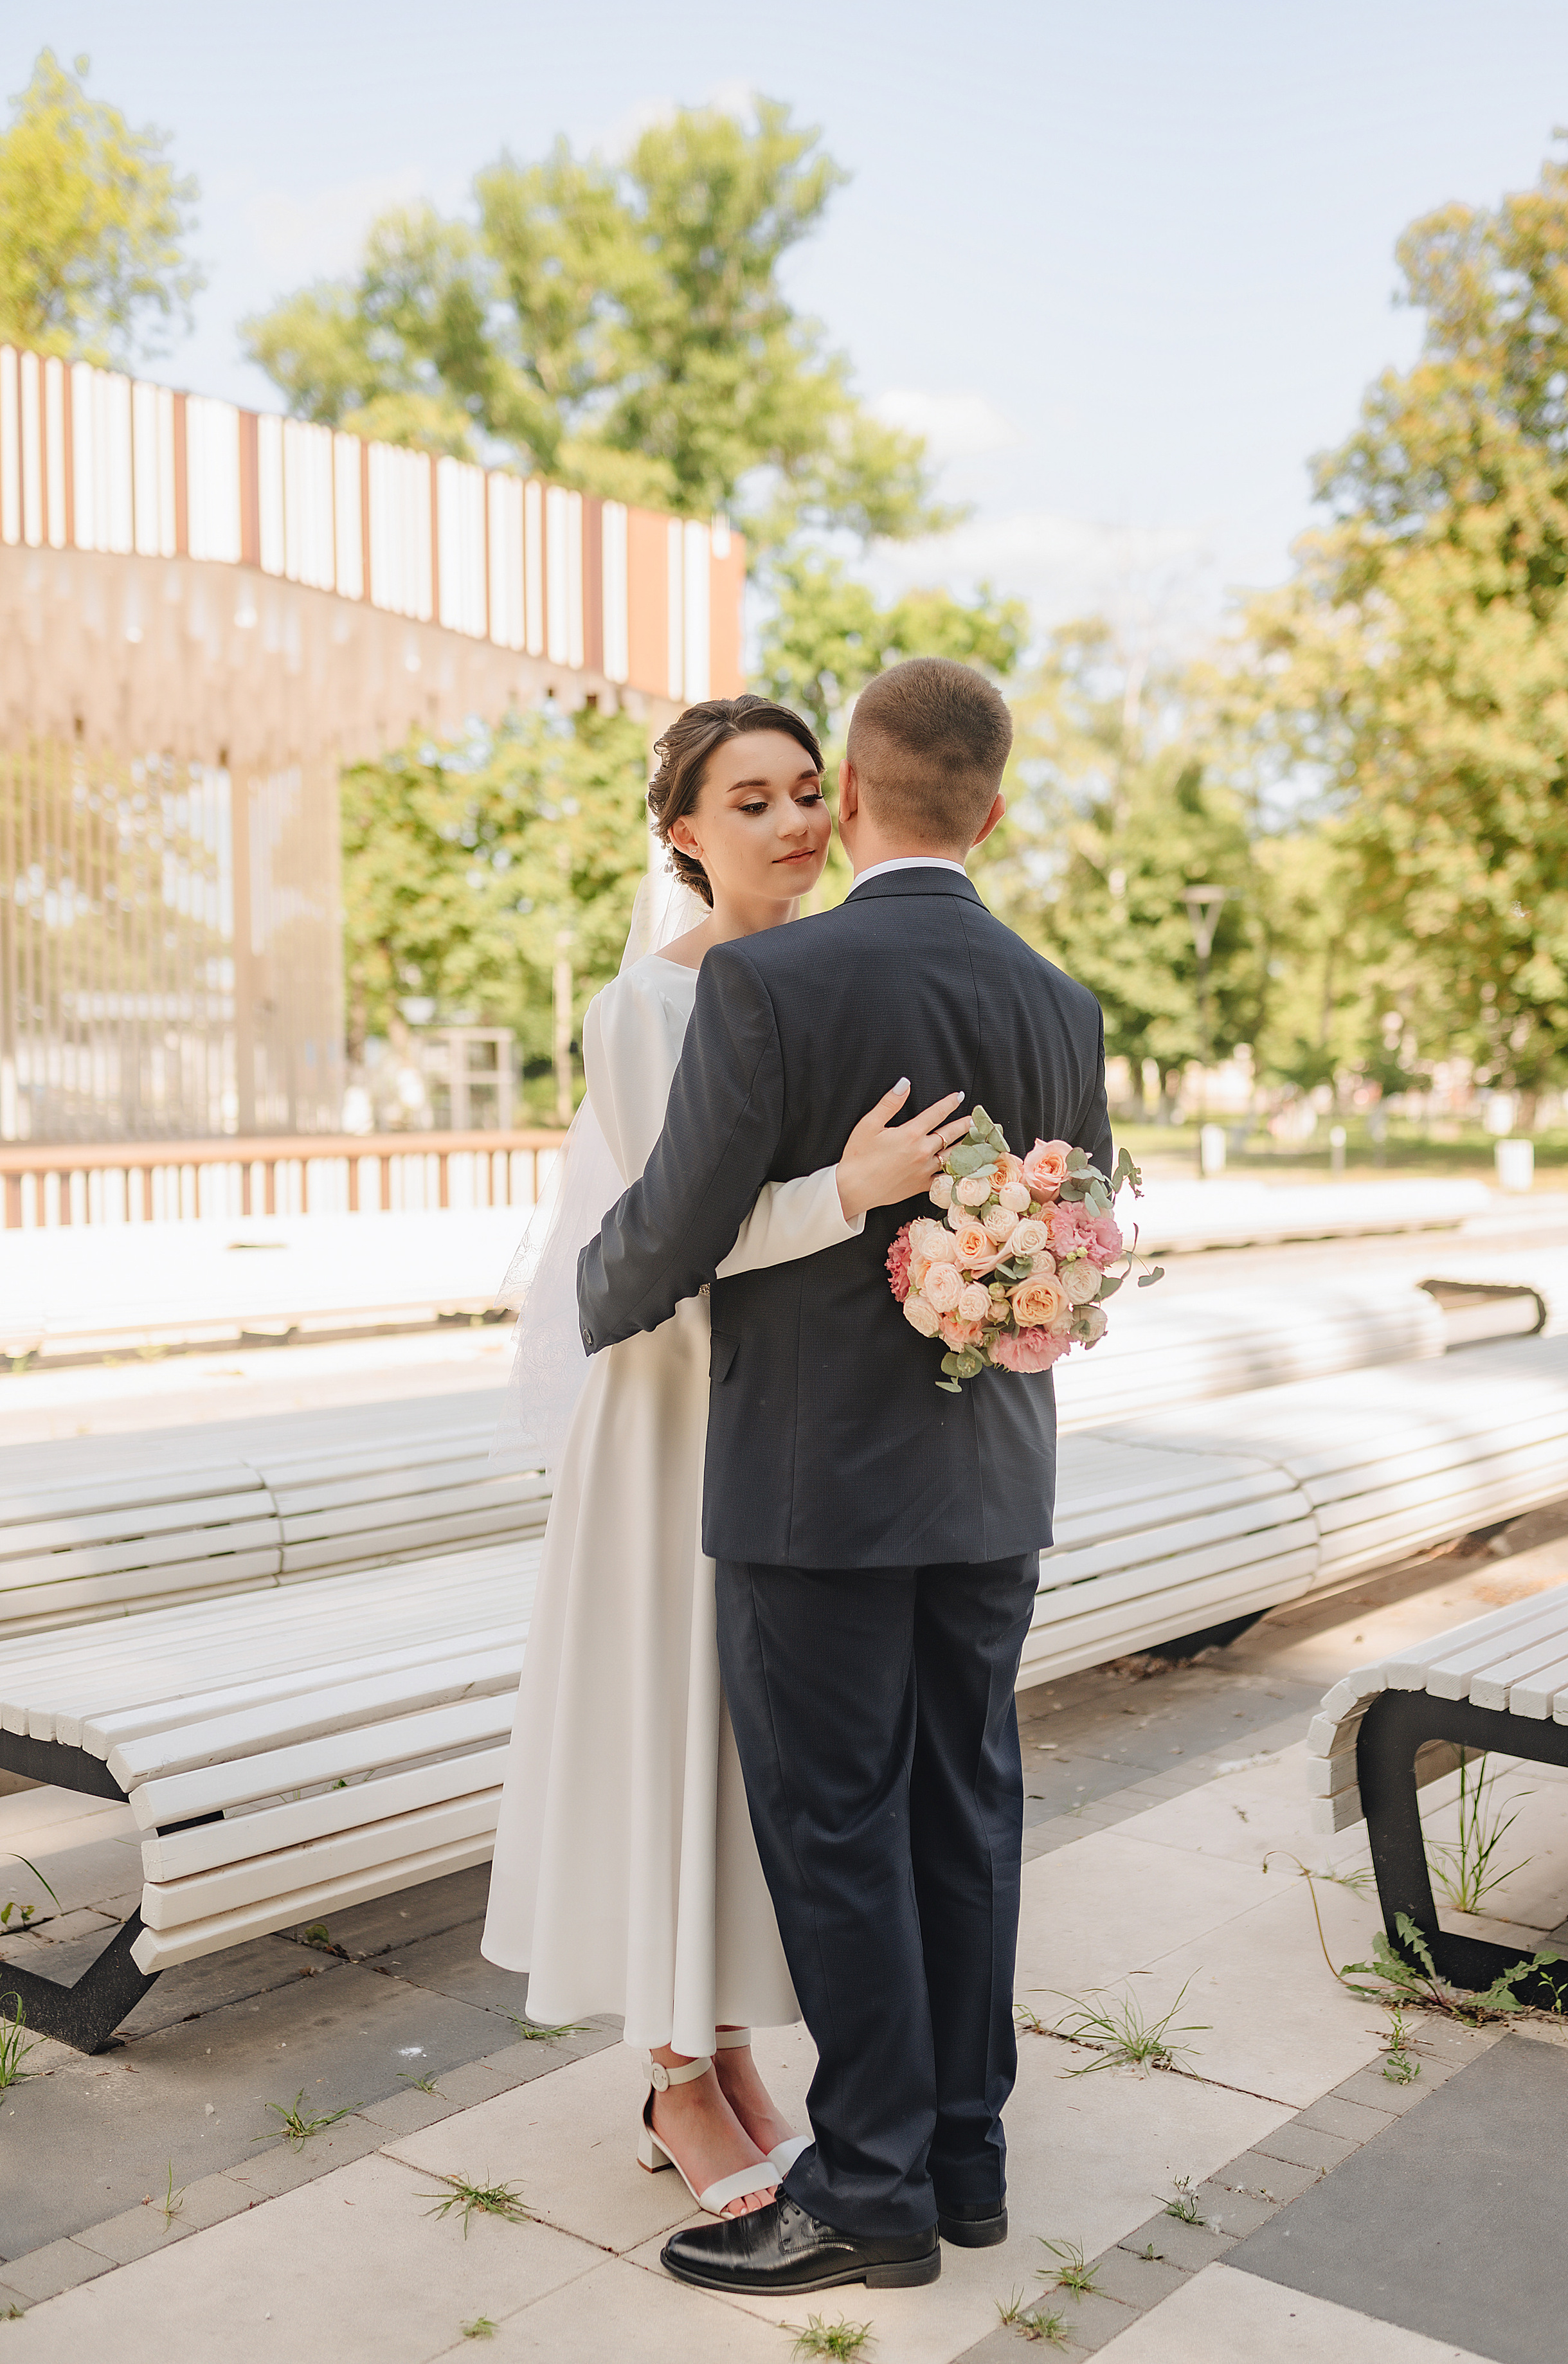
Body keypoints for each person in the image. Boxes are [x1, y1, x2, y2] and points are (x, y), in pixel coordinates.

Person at [578, 655, 1112, 2298]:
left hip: (813, 1495)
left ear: (857, 795)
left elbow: (636, 1267)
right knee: (969, 1812)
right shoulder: (1062, 1001)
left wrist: (607, 1269)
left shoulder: (773, 987)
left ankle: (868, 2186)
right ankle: (966, 2159)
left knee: (835, 1830)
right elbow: (1083, 1248)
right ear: (994, 807)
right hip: (989, 1481)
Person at [482, 694, 966, 2223]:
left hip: (795, 1425)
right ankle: (675, 2064)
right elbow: (666, 1247)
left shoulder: (816, 982)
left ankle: (731, 2039)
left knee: (759, 1758)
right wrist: (850, 1187)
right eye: (747, 799)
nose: (793, 821)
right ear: (682, 833)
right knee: (675, 1729)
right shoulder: (650, 1004)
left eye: (807, 790)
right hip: (675, 1416)